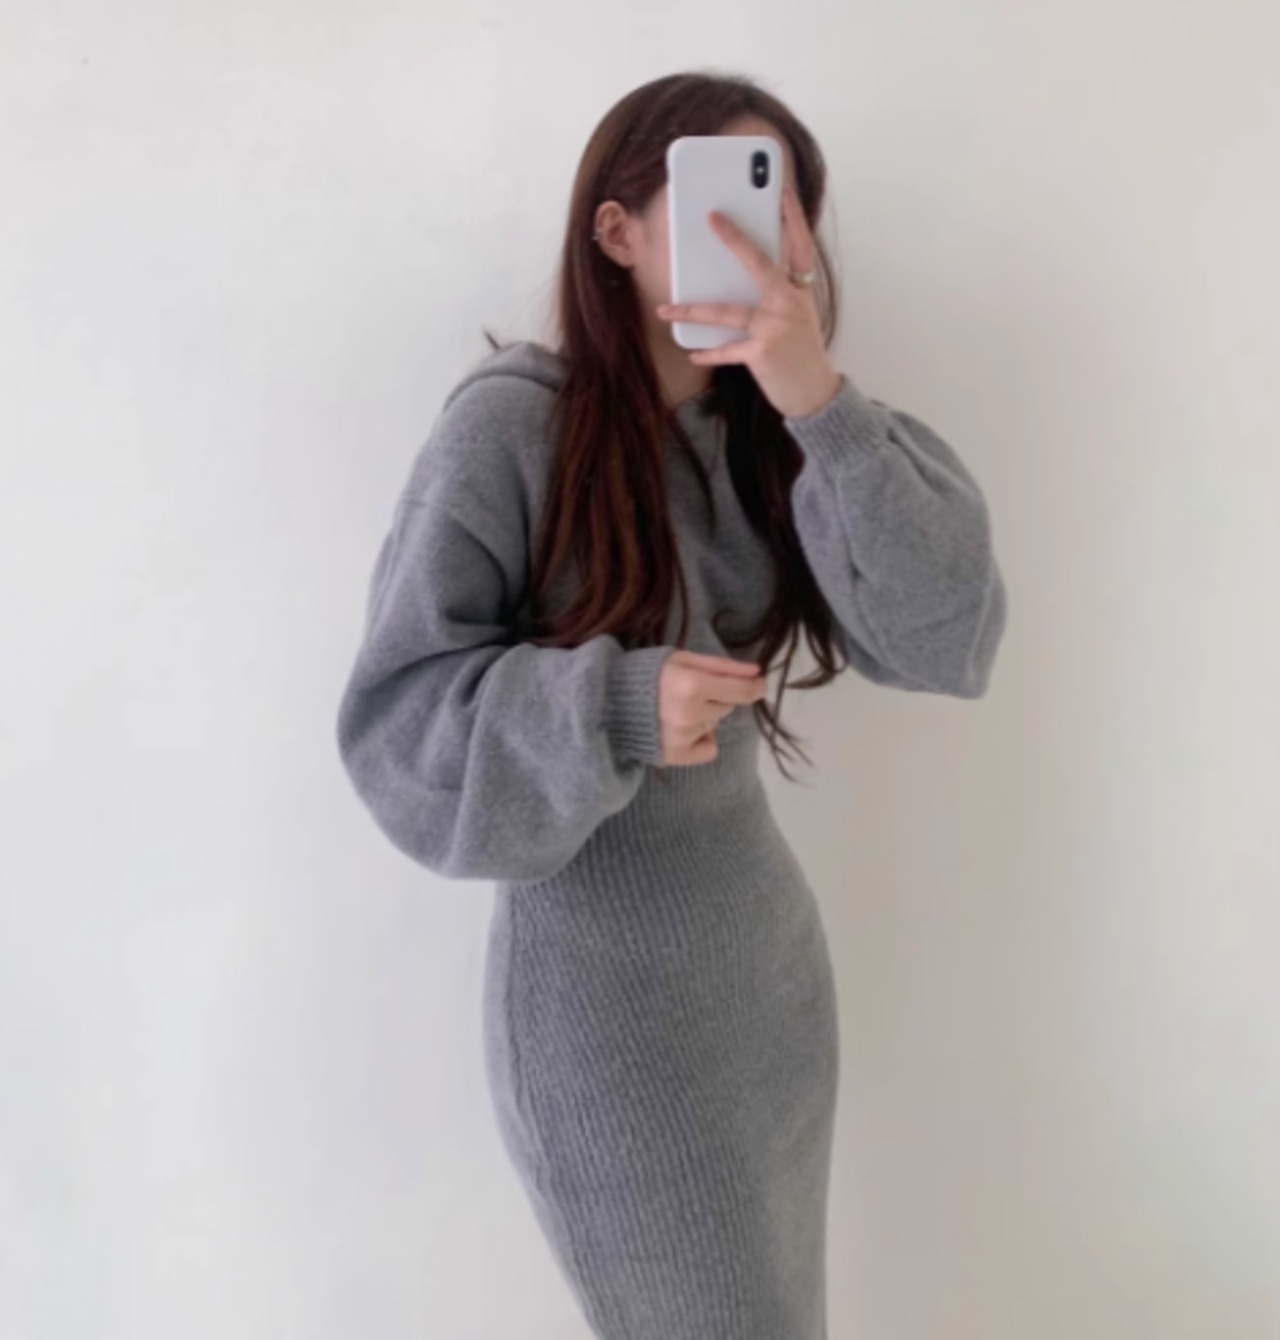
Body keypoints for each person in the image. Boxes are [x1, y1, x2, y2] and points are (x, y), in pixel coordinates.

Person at [335, 69, 1007, 1340]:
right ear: (616, 229)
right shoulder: (510, 429)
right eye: (723, 199)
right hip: (603, 1012)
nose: (761, 236)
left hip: (766, 976)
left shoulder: (785, 428)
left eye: (781, 206)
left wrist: (817, 398)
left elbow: (943, 637)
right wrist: (615, 702)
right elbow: (398, 725)